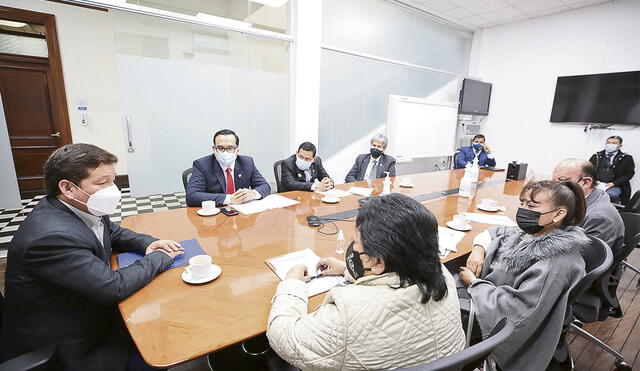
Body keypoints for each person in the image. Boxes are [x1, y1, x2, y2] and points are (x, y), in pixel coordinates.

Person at [0, 144, 184, 371]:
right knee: (164, 341)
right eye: (102, 183)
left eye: (113, 180)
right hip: (70, 345)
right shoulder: (52, 237)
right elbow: (112, 287)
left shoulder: (78, 207)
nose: (113, 189)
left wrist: (148, 243)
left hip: (84, 309)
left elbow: (114, 232)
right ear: (67, 188)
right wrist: (157, 258)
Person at [267, 193, 466, 370]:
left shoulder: (346, 315)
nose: (353, 248)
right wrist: (348, 270)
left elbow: (282, 335)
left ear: (378, 262)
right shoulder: (444, 276)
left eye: (357, 243)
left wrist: (292, 284)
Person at [460, 180, 589, 371]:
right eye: (522, 203)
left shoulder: (553, 264)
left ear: (559, 214)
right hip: (486, 292)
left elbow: (516, 314)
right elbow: (496, 232)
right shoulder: (534, 232)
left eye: (531, 205)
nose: (523, 210)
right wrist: (478, 249)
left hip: (494, 316)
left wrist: (474, 283)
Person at [552, 158, 625, 321]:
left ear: (586, 182)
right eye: (553, 181)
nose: (555, 188)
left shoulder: (599, 217)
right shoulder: (584, 200)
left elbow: (578, 266)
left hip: (580, 291)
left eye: (562, 182)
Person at [186, 129, 271, 207]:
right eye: (220, 148)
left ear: (237, 150)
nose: (225, 152)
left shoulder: (247, 162)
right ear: (214, 149)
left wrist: (253, 193)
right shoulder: (202, 165)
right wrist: (229, 199)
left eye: (230, 148)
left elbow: (265, 186)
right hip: (216, 212)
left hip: (242, 213)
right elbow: (192, 196)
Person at [589, 135, 635, 204]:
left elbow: (629, 174)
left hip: (615, 185)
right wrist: (594, 181)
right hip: (597, 183)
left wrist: (614, 183)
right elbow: (588, 169)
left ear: (620, 145)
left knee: (612, 195)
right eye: (609, 142)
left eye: (614, 143)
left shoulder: (626, 158)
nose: (610, 144)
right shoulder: (597, 156)